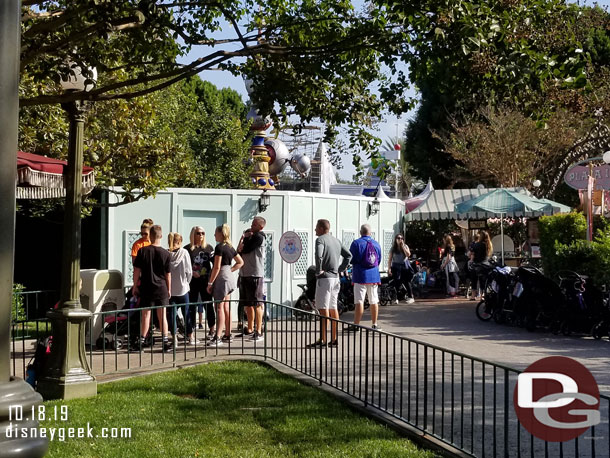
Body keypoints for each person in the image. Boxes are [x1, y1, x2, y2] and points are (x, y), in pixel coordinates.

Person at [306, 219, 351, 348]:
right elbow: (348, 255)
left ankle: (323, 339)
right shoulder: (336, 240)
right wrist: (341, 269)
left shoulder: (320, 240)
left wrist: (319, 270)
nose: (315, 230)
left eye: (316, 227)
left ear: (321, 228)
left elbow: (319, 255)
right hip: (335, 278)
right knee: (333, 307)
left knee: (323, 308)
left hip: (324, 278)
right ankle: (334, 338)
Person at [132, 224, 171, 351]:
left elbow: (136, 270)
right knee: (162, 315)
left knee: (146, 315)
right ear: (161, 236)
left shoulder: (142, 251)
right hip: (161, 288)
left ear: (151, 236)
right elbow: (168, 275)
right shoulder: (166, 254)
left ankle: (142, 340)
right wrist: (169, 289)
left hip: (146, 287)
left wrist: (134, 285)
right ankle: (165, 340)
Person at [207, 224, 243, 346]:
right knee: (226, 307)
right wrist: (231, 270)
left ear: (221, 234)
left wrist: (210, 282)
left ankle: (217, 337)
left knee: (219, 308)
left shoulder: (219, 248)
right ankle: (227, 334)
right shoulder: (230, 247)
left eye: (216, 233)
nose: (214, 235)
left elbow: (216, 267)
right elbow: (240, 262)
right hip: (229, 277)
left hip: (221, 278)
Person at [236, 216, 267, 342]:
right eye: (252, 224)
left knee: (257, 303)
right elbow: (238, 250)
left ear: (261, 226)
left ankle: (258, 330)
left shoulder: (259, 237)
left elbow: (247, 248)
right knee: (247, 304)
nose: (252, 226)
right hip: (244, 273)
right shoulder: (248, 236)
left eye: (254, 224)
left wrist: (246, 239)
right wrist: (243, 237)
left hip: (255, 274)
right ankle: (249, 328)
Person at [184, 226, 215, 343]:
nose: (201, 235)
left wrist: (212, 279)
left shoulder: (208, 248)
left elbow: (215, 264)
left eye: (203, 233)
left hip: (206, 282)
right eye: (198, 233)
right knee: (191, 306)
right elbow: (184, 267)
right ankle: (190, 332)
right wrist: (192, 273)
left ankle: (212, 330)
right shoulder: (187, 249)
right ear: (193, 234)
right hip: (192, 282)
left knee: (208, 305)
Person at [349, 224, 382, 330]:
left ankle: (356, 325)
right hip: (374, 276)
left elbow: (351, 259)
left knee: (359, 301)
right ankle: (374, 324)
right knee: (374, 300)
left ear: (360, 232)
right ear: (370, 233)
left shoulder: (356, 243)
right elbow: (379, 260)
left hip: (360, 275)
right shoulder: (376, 244)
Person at [166, 232, 192, 347]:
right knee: (186, 312)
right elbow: (189, 271)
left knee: (172, 314)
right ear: (179, 241)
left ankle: (174, 337)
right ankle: (190, 336)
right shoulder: (184, 252)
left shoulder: (166, 254)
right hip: (183, 288)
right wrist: (187, 282)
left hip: (171, 289)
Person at [387, 234, 415, 304]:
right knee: (396, 282)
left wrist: (403, 246)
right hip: (396, 266)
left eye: (401, 238)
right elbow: (390, 259)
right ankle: (396, 298)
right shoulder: (393, 248)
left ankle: (411, 297)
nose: (400, 240)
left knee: (406, 281)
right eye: (398, 238)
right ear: (396, 239)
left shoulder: (405, 246)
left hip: (404, 266)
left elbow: (408, 254)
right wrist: (389, 268)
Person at [470, 230, 493, 300]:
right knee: (482, 280)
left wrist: (471, 261)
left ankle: (473, 295)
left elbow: (472, 254)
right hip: (485, 264)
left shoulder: (476, 245)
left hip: (476, 264)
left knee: (474, 280)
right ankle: (482, 295)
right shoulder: (489, 245)